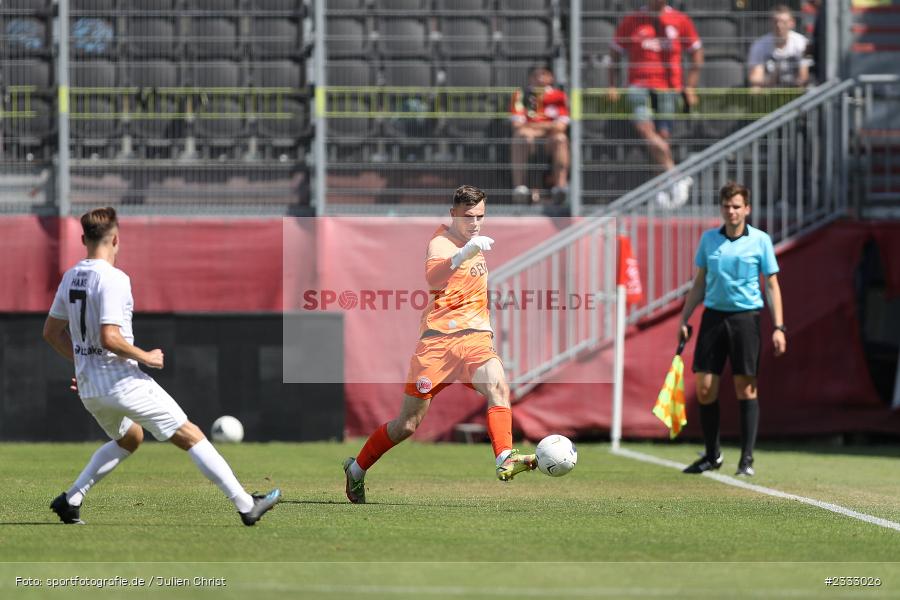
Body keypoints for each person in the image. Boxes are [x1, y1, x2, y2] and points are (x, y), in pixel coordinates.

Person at [42, 207, 281, 525]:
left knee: (130, 438)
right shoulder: (114, 278)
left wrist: (83, 364)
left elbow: (51, 333)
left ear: (84, 239)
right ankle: (246, 504)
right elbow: (110, 337)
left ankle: (71, 499)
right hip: (121, 382)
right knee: (190, 434)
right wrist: (146, 356)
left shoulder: (71, 276)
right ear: (116, 239)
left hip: (90, 387)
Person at [342, 185, 537, 504]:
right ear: (453, 214)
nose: (475, 223)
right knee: (407, 425)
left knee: (498, 386)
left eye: (480, 216)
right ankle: (356, 469)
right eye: (468, 216)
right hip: (438, 344)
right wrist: (463, 254)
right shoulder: (441, 242)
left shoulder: (474, 242)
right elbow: (434, 278)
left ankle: (504, 457)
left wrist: (470, 250)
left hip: (474, 339)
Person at [677, 182, 787, 477]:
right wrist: (684, 319)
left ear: (747, 209)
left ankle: (746, 460)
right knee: (704, 389)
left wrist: (779, 327)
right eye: (727, 206)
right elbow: (699, 282)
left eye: (737, 206)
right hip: (713, 317)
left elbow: (772, 285)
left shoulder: (761, 240)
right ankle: (712, 455)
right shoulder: (709, 239)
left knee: (745, 388)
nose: (731, 211)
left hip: (745, 319)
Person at [608, 0, 703, 208]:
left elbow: (696, 52)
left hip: (669, 88)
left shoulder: (680, 20)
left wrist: (690, 86)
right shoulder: (633, 20)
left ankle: (660, 187)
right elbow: (614, 52)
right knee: (645, 130)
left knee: (662, 137)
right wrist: (612, 85)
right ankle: (676, 176)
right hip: (638, 86)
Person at [509, 65, 570, 205]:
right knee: (521, 136)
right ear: (530, 78)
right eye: (536, 75)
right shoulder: (520, 95)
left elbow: (561, 126)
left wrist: (533, 127)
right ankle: (519, 189)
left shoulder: (559, 95)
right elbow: (517, 125)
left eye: (544, 74)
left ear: (551, 77)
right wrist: (549, 126)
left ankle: (560, 188)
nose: (540, 78)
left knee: (561, 138)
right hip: (529, 140)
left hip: (550, 141)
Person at [748, 5, 811, 88]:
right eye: (776, 22)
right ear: (770, 23)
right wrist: (773, 78)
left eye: (783, 22)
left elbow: (804, 77)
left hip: (794, 88)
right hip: (768, 88)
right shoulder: (759, 45)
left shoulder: (802, 42)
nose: (779, 26)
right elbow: (755, 78)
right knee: (755, 89)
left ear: (792, 23)